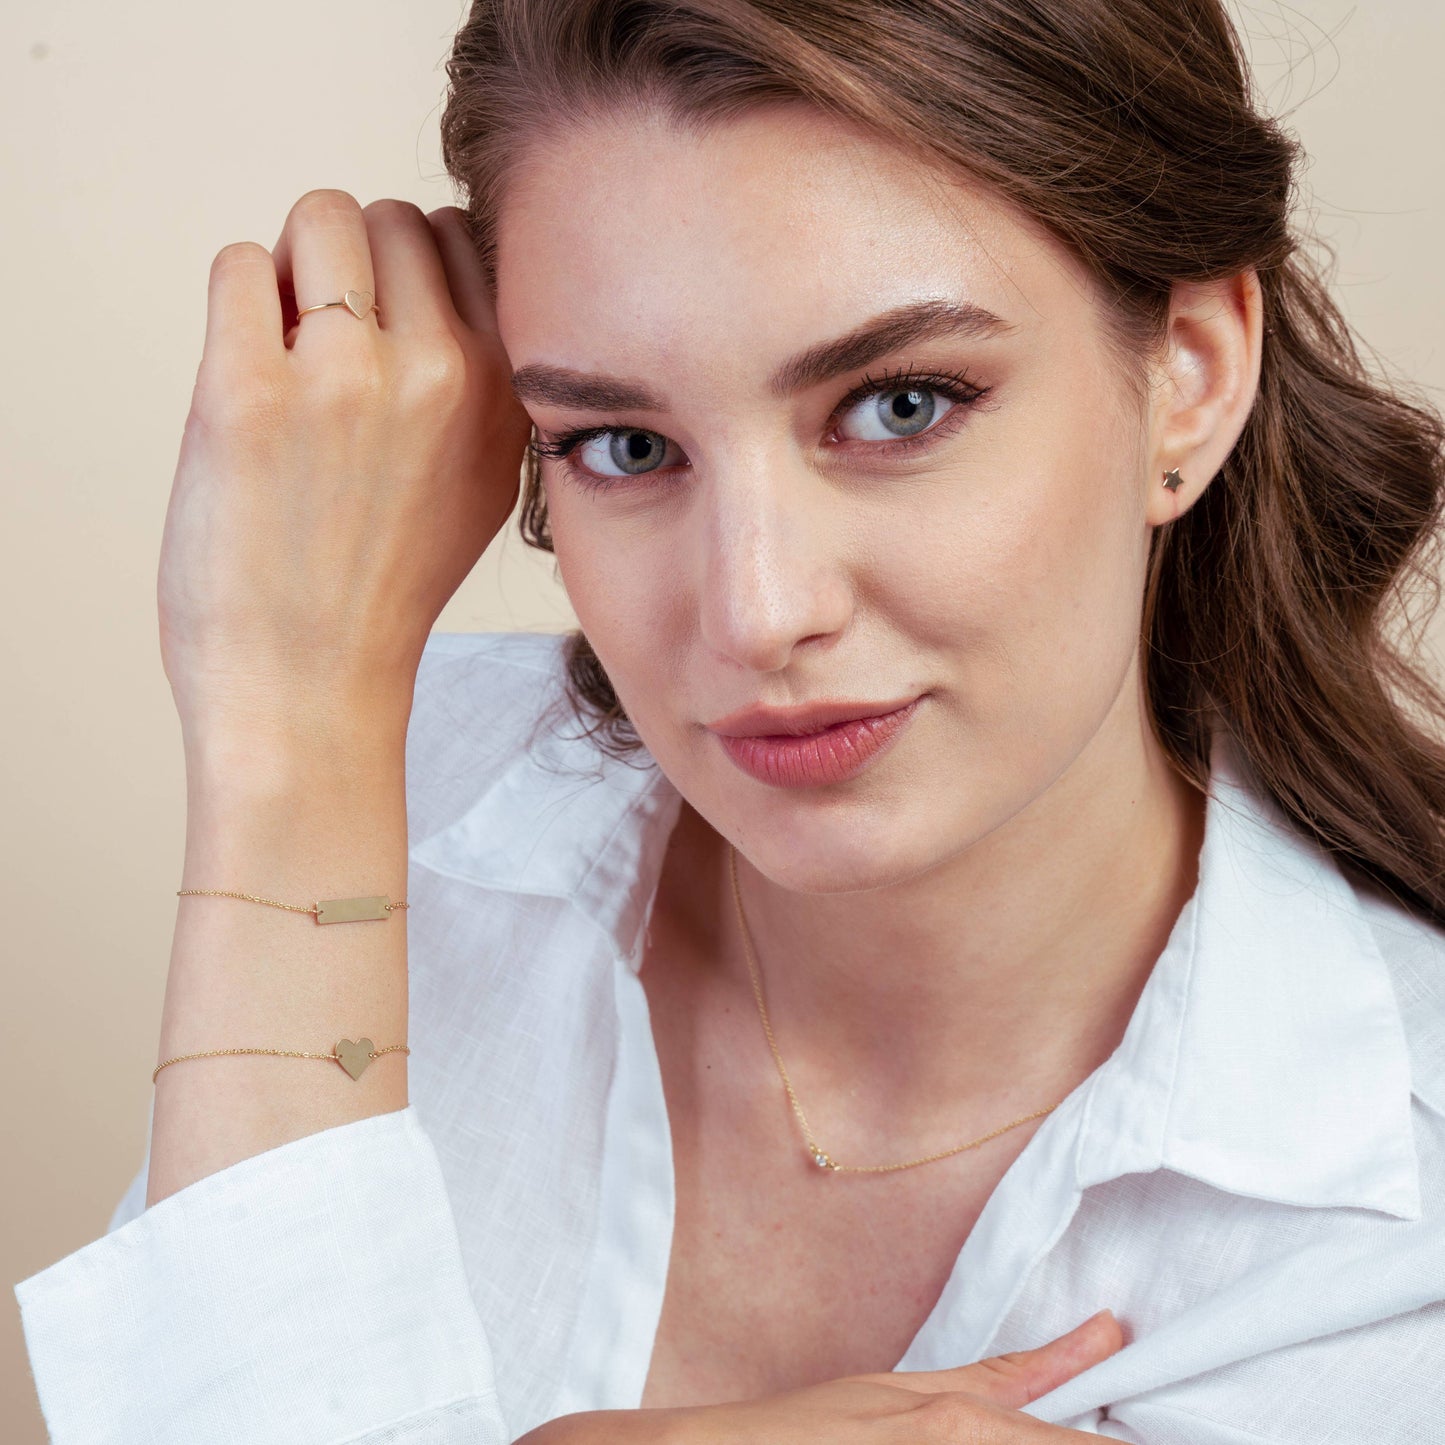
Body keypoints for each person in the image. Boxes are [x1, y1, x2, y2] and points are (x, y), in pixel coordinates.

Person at [14, 0, 1445, 1440]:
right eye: (622, 446)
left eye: (898, 406)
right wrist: (278, 723)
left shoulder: (1395, 1233)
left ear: (1187, 377)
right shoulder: (373, 804)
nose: (756, 611)